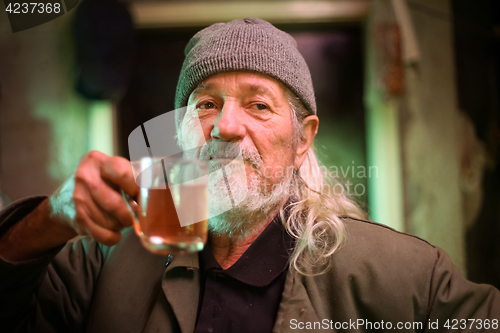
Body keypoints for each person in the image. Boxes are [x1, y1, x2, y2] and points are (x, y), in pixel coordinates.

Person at [0, 17, 499, 333]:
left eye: (259, 104)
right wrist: (51, 218)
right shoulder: (103, 261)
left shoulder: (404, 277)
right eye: (206, 104)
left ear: (302, 139)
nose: (226, 126)